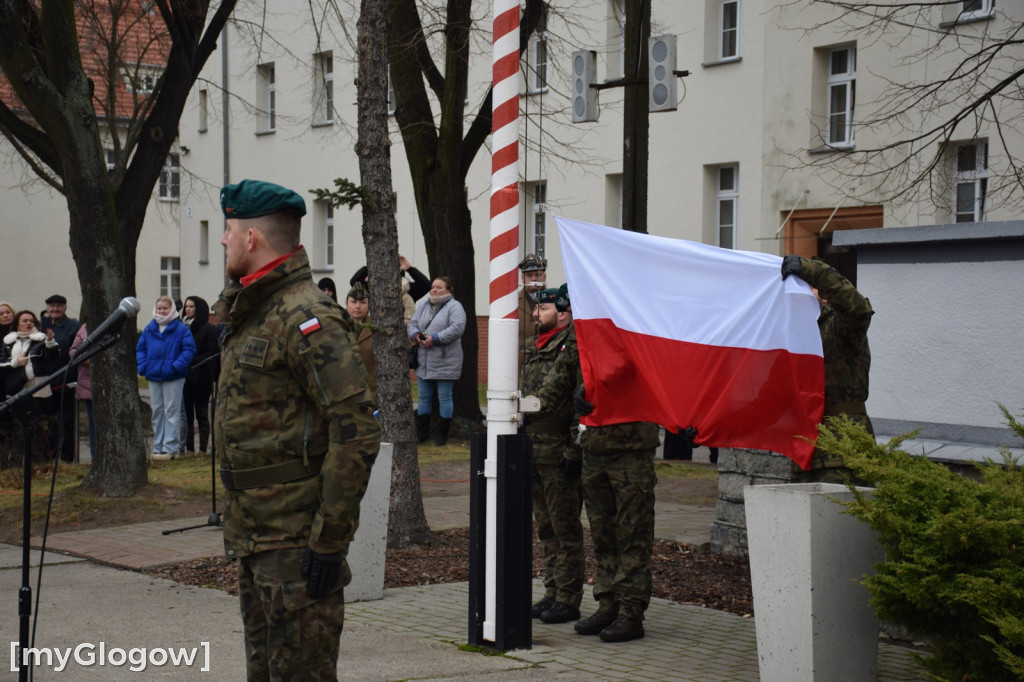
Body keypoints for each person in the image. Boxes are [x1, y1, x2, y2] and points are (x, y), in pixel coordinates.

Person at [215, 178, 380, 680]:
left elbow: (355, 433)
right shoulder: (258, 310)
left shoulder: (307, 315)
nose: (222, 240)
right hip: (256, 534)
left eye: (227, 229)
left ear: (250, 239)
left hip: (295, 542)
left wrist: (328, 541)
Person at [572, 387, 660, 642]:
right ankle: (609, 604)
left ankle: (631, 612)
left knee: (633, 534)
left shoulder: (643, 348)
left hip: (631, 451)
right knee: (603, 535)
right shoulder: (593, 354)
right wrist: (581, 394)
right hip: (595, 449)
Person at [521, 285, 584, 624]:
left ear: (562, 313)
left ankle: (569, 598)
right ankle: (552, 591)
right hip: (534, 449)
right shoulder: (534, 347)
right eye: (535, 308)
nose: (535, 313)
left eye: (542, 309)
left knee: (565, 530)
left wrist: (574, 451)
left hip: (558, 449)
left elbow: (573, 401)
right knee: (545, 529)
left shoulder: (571, 348)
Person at [781, 254, 874, 481]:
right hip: (803, 453)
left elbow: (857, 309)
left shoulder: (840, 326)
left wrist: (812, 270)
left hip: (844, 452)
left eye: (806, 287)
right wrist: (705, 425)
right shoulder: (793, 334)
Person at [407, 276, 466, 446]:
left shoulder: (455, 307)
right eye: (433, 287)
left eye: (439, 287)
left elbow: (457, 328)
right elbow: (412, 324)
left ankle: (442, 435)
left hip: (446, 361)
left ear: (449, 290)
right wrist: (416, 335)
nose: (434, 290)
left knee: (444, 397)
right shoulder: (424, 305)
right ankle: (422, 434)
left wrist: (435, 338)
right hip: (424, 359)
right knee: (424, 397)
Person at [136, 296, 196, 460]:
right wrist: (143, 366)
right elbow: (140, 349)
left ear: (172, 310)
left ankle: (170, 448)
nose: (162, 311)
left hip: (173, 376)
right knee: (157, 411)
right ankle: (158, 446)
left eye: (165, 308)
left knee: (171, 411)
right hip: (154, 375)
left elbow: (189, 349)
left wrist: (176, 366)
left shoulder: (181, 329)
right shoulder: (150, 328)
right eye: (160, 308)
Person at [40, 294, 81, 462]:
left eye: (59, 306)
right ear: (47, 308)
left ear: (64, 307)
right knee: (48, 423)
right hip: (44, 382)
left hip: (65, 381)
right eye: (52, 306)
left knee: (66, 421)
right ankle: (49, 456)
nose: (55, 309)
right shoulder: (42, 325)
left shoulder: (73, 326)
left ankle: (66, 458)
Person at [3, 310, 60, 420]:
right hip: (17, 388)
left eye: (31, 321)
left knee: (42, 425)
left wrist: (50, 340)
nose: (29, 323)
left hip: (38, 389)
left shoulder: (41, 339)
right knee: (21, 425)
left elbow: (53, 358)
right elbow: (2, 363)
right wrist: (16, 362)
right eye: (25, 321)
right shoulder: (8, 342)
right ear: (17, 324)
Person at [182, 296, 220, 454]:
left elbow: (212, 353)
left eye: (191, 306)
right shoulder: (182, 326)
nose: (188, 309)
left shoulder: (209, 328)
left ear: (199, 308)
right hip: (184, 376)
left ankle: (203, 448)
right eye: (186, 306)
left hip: (201, 377)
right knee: (187, 413)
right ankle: (189, 447)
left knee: (201, 413)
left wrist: (192, 360)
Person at [69, 320, 96, 463]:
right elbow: (74, 351)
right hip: (88, 381)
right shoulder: (85, 328)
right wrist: (86, 360)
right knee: (94, 422)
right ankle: (95, 457)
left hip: (110, 380)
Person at [345, 284, 377, 403]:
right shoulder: (338, 326)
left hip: (371, 392)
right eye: (353, 302)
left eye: (363, 302)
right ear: (346, 304)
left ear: (369, 305)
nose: (358, 306)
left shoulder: (376, 327)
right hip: (345, 391)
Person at [517, 253, 547, 370]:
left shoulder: (554, 302)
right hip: (520, 366)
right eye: (529, 275)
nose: (534, 278)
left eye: (537, 274)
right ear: (523, 278)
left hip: (547, 366)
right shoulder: (512, 304)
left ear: (544, 277)